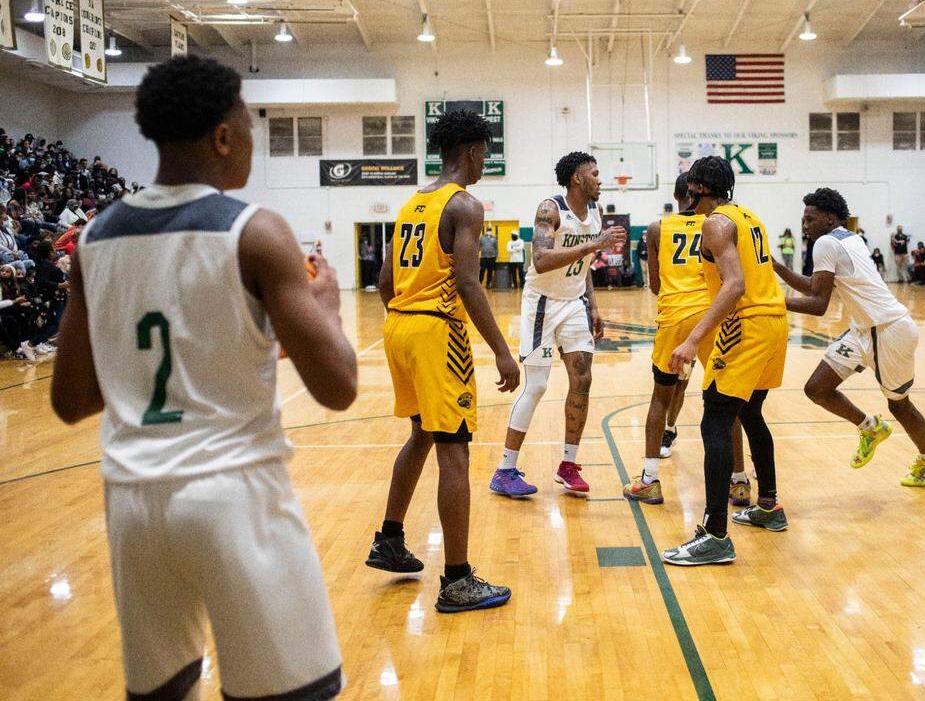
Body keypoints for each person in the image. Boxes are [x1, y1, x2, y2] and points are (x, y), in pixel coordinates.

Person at [50, 56, 355, 700]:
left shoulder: (95, 239)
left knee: (165, 692)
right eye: (248, 129)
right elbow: (337, 386)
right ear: (222, 136)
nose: (251, 144)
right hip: (233, 493)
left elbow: (71, 400)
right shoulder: (254, 231)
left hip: (133, 505)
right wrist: (326, 307)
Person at [367, 109, 520, 611]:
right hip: (435, 331)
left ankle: (390, 539)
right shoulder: (466, 205)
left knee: (422, 434)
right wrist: (501, 350)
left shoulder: (414, 203)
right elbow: (468, 283)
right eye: (485, 154)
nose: (484, 163)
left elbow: (385, 280)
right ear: (473, 150)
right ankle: (456, 579)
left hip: (398, 326)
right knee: (454, 450)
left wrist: (407, 318)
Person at [661, 156, 789, 566]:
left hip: (747, 324)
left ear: (698, 188)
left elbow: (734, 284)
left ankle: (715, 534)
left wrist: (694, 339)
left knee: (715, 419)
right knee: (751, 412)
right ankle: (768, 506)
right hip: (774, 322)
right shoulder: (749, 217)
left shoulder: (714, 223)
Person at [775, 189, 925, 489]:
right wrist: (778, 268)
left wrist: (771, 303)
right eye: (803, 219)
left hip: (889, 329)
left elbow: (818, 303)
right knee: (817, 388)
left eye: (810, 219)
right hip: (863, 329)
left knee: (899, 405)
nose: (805, 225)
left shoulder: (826, 243)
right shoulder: (847, 237)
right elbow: (815, 288)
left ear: (830, 218)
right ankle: (870, 427)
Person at [490, 151, 625, 497]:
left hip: (575, 302)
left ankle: (568, 464)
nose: (600, 179)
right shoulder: (550, 210)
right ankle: (505, 470)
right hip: (542, 304)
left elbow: (586, 264)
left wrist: (593, 304)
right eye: (594, 173)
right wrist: (594, 245)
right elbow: (542, 259)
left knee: (583, 377)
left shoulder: (594, 212)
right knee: (536, 386)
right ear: (577, 179)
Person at [623, 173, 750, 507]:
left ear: (678, 194)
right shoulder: (719, 223)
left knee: (659, 399)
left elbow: (653, 286)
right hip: (712, 318)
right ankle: (739, 481)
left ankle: (650, 480)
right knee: (728, 401)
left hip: (674, 319)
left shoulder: (656, 229)